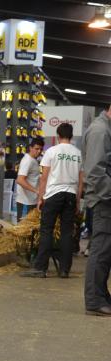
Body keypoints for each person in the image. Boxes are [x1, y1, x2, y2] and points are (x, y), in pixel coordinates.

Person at [21, 123, 83, 279]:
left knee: (46, 230)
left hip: (54, 194)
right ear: (71, 135)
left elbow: (44, 178)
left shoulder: (51, 151)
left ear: (58, 135)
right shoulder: (78, 153)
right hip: (70, 195)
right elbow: (81, 181)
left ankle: (40, 268)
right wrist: (77, 202)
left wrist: (40, 197)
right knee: (67, 233)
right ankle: (64, 270)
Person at [83, 105, 111, 316]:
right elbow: (95, 172)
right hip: (104, 201)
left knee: (105, 251)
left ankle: (101, 294)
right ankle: (94, 299)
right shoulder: (100, 130)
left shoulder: (106, 129)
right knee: (101, 249)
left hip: (106, 198)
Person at [14, 138, 45, 221]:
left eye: (41, 149)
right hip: (25, 201)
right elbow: (20, 180)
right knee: (23, 228)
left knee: (28, 228)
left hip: (30, 200)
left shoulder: (32, 160)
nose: (39, 151)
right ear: (30, 148)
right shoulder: (28, 160)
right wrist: (36, 191)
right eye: (36, 148)